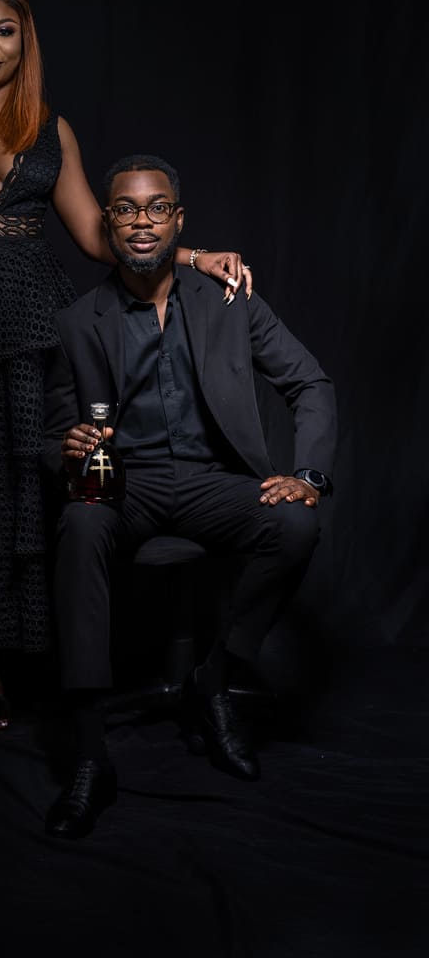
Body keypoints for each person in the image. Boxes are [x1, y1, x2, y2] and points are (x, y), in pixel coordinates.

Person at [0, 0, 253, 746]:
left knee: (16, 499)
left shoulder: (49, 128)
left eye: (5, 29)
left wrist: (192, 254)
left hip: (29, 329)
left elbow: (100, 237)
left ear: (24, 39)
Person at [41, 153, 337, 839]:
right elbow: (45, 432)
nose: (140, 222)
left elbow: (310, 384)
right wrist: (65, 447)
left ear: (178, 220)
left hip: (213, 482)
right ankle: (89, 755)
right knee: (79, 530)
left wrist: (310, 475)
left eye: (155, 208)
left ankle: (215, 677)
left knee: (296, 527)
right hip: (125, 485)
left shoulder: (231, 300)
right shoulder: (77, 321)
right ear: (107, 222)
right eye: (124, 208)